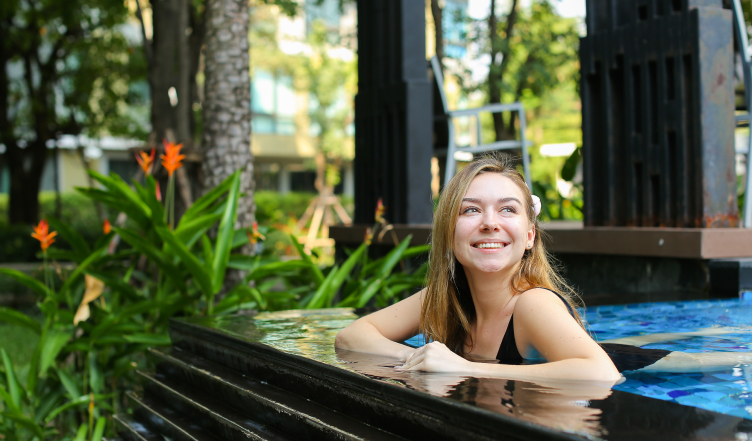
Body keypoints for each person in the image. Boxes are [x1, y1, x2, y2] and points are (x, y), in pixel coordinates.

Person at [335, 155, 622, 383]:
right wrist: (424, 358)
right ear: (449, 233)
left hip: (634, 365)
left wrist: (465, 368)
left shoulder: (534, 304)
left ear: (530, 236)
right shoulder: (444, 298)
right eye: (471, 210)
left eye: (508, 209)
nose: (490, 223)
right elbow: (351, 337)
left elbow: (602, 372)